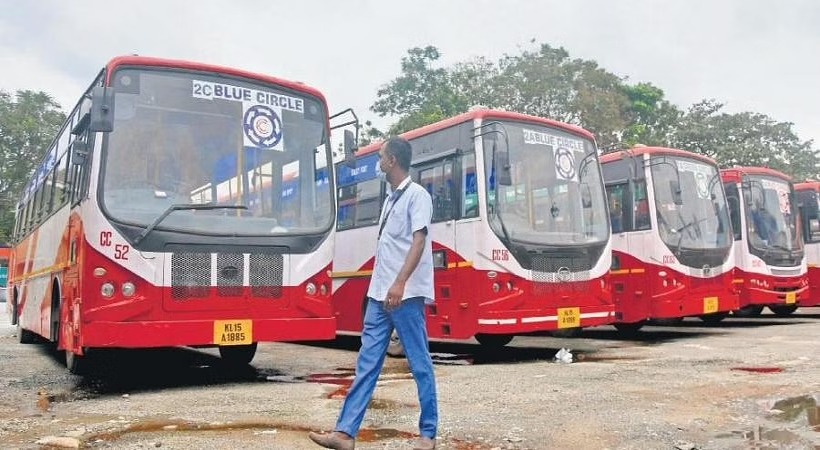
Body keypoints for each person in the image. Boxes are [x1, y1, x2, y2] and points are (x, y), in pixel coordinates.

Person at [309, 137, 438, 450]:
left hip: (404, 295)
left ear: (392, 160)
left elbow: (418, 242)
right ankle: (345, 433)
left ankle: (428, 434)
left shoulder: (417, 196)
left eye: (381, 156)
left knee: (419, 362)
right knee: (366, 363)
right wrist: (382, 288)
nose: (379, 161)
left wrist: (400, 283)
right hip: (379, 295)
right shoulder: (390, 199)